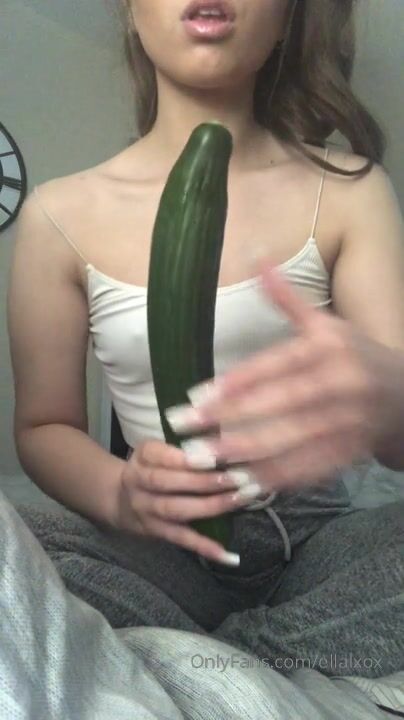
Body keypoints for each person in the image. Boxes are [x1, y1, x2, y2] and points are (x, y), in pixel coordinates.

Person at [7, 0, 404, 686]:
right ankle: (284, 654)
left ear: (286, 17)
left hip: (314, 542)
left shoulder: (350, 190)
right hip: (156, 548)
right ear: (130, 11)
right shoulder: (56, 214)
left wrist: (388, 393)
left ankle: (215, 655)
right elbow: (44, 427)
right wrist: (121, 493)